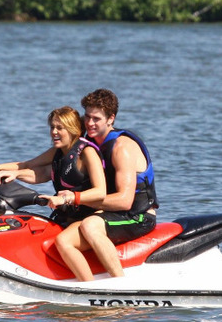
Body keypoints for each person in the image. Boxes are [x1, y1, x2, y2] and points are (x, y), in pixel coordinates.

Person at [0, 106, 106, 281]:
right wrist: (0, 168)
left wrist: (66, 198)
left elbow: (101, 192)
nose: (54, 132)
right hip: (67, 217)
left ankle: (90, 287)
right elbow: (30, 167)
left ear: (73, 130)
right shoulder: (58, 153)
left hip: (90, 217)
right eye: (52, 127)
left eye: (59, 128)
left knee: (63, 241)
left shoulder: (86, 152)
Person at [63, 89, 159, 280]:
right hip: (112, 212)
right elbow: (47, 163)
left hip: (138, 216)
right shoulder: (89, 142)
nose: (89, 123)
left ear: (110, 119)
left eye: (96, 118)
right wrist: (12, 170)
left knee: (90, 225)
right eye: (87, 117)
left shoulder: (121, 148)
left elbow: (124, 201)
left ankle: (119, 285)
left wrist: (78, 199)